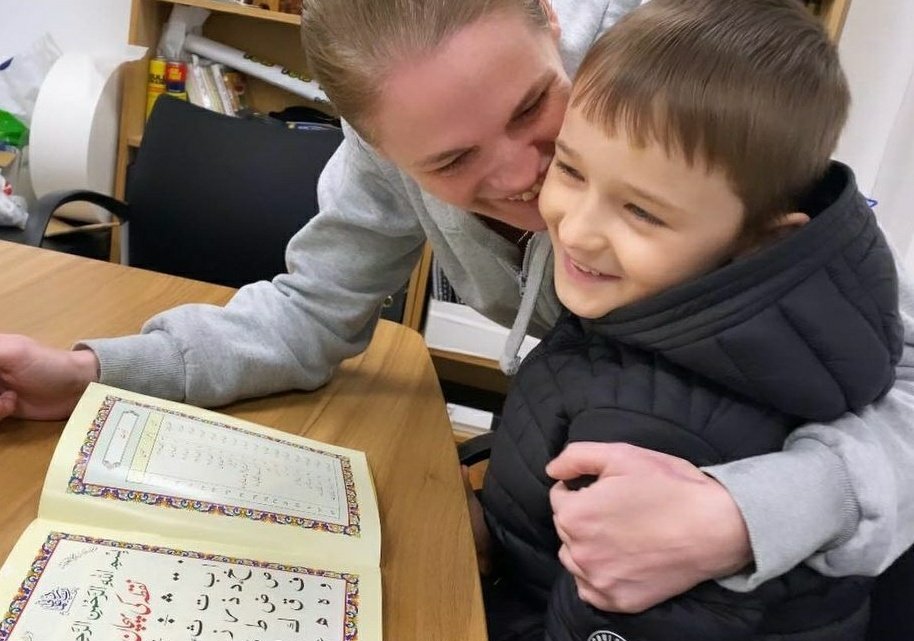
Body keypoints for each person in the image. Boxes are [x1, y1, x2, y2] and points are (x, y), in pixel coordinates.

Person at [0, 0, 912, 617]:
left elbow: (887, 367)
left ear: (553, 24)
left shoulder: (691, 93)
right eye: (448, 163)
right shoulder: (382, 154)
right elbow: (306, 313)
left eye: (532, 110)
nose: (526, 183)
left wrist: (745, 514)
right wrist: (90, 370)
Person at [469, 0, 899, 639]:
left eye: (642, 211)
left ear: (759, 242)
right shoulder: (650, 313)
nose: (578, 230)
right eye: (569, 167)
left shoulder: (666, 436)